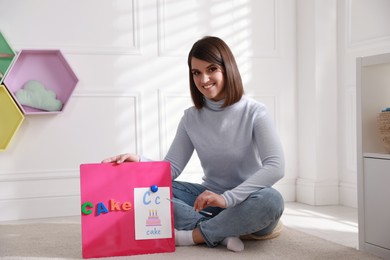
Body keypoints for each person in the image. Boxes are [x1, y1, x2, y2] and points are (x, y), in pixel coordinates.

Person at [102, 36, 285, 252]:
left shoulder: (255, 112)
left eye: (211, 69)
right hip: (208, 202)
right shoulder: (191, 118)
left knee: (272, 200)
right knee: (147, 191)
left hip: (248, 202)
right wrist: (139, 161)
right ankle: (222, 232)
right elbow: (171, 168)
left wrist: (227, 199)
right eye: (196, 72)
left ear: (227, 69)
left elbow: (276, 166)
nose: (204, 79)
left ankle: (195, 235)